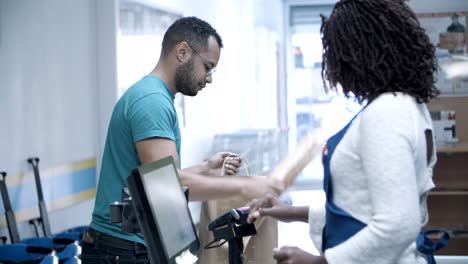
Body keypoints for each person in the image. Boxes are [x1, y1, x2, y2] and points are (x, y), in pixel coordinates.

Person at [248, 0, 448, 263]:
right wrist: (290, 211)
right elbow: (361, 209)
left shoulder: (386, 112)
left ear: (358, 52)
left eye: (333, 51)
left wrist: (320, 262)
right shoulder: (407, 104)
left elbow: (398, 224)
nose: (331, 65)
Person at [81, 16, 283, 263]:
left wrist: (206, 167)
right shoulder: (151, 102)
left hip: (128, 246)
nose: (209, 78)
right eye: (208, 67)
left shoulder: (153, 97)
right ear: (183, 52)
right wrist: (247, 187)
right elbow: (166, 181)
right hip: (123, 250)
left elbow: (154, 177)